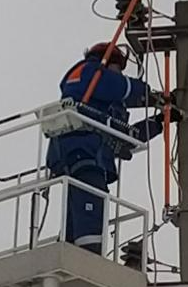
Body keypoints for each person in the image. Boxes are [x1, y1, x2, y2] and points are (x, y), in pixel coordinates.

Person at [46, 41, 170, 253]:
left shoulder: (100, 101)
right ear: (108, 62)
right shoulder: (89, 72)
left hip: (81, 151)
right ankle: (88, 256)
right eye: (118, 68)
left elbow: (125, 137)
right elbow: (122, 86)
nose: (120, 74)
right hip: (83, 149)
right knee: (91, 200)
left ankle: (69, 249)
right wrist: (149, 93)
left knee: (77, 207)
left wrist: (159, 122)